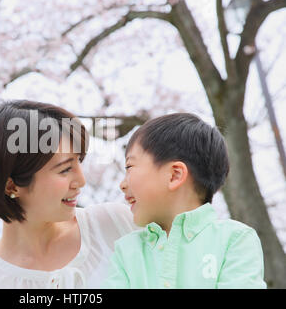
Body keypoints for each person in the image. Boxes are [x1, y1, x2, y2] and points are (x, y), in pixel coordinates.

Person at [0, 100, 138, 288]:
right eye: (64, 169)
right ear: (11, 186)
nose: (81, 181)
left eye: (79, 162)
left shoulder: (116, 224)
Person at [102, 113, 267, 288]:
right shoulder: (126, 250)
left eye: (129, 167)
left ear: (175, 175)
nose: (122, 184)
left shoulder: (234, 239)